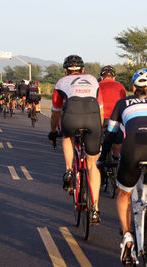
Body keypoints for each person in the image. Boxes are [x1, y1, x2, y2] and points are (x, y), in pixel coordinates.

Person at [107, 68, 147, 263]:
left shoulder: (123, 102)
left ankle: (127, 237)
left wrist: (102, 157)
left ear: (134, 87)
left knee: (124, 194)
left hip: (133, 148)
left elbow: (110, 134)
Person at [48, 55, 104, 224]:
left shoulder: (61, 82)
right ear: (83, 70)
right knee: (92, 165)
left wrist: (52, 131)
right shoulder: (93, 80)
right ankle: (95, 209)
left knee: (67, 137)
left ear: (66, 70)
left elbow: (56, 112)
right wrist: (98, 131)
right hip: (93, 119)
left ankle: (69, 171)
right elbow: (101, 110)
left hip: (71, 118)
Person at [96, 65, 126, 167]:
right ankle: (116, 159)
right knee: (118, 140)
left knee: (98, 139)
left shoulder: (97, 85)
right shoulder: (120, 86)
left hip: (100, 118)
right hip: (116, 119)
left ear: (101, 77)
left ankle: (99, 153)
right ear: (114, 77)